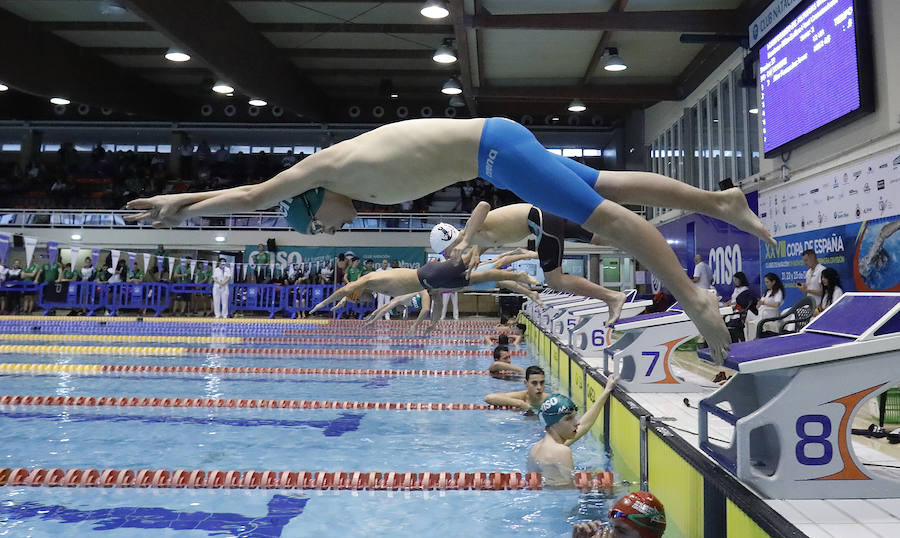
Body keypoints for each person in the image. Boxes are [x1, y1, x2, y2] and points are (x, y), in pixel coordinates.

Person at [125, 118, 777, 365]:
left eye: (321, 224)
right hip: (497, 147)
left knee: (607, 218)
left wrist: (174, 201)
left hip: (494, 151)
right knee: (605, 182)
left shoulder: (316, 170)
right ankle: (716, 201)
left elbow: (246, 198)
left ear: (307, 202)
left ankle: (690, 296)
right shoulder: (336, 176)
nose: (333, 227)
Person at [431, 206, 628, 324]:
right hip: (544, 216)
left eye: (443, 251)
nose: (446, 255)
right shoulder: (475, 238)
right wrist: (475, 251)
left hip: (539, 221)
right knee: (600, 240)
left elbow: (483, 205)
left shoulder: (469, 231)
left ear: (448, 243)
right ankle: (639, 241)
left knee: (555, 281)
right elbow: (484, 237)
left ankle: (612, 297)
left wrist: (468, 245)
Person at [310, 250, 540, 334]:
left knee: (487, 266)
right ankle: (525, 280)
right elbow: (352, 294)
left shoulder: (370, 279)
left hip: (430, 275)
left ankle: (520, 257)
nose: (359, 299)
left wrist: (324, 304)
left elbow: (346, 289)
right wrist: (430, 326)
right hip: (435, 279)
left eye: (356, 298)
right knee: (490, 274)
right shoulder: (372, 284)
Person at [526, 374, 619, 487]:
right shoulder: (561, 451)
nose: (577, 422)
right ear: (553, 423)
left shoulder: (536, 447)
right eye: (569, 419)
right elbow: (569, 492)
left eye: (575, 417)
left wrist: (606, 392)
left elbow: (584, 425)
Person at [483, 365, 548, 412]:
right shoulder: (521, 396)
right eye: (534, 383)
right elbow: (488, 398)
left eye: (542, 383)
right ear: (526, 383)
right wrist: (520, 403)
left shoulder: (549, 400)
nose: (539, 387)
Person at [746, 272, 785, 340]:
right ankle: (749, 338)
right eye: (765, 282)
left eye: (767, 282)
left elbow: (777, 304)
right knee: (749, 315)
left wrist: (764, 303)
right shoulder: (767, 292)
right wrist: (759, 304)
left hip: (770, 313)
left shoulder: (778, 292)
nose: (766, 284)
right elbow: (760, 303)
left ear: (773, 282)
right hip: (762, 312)